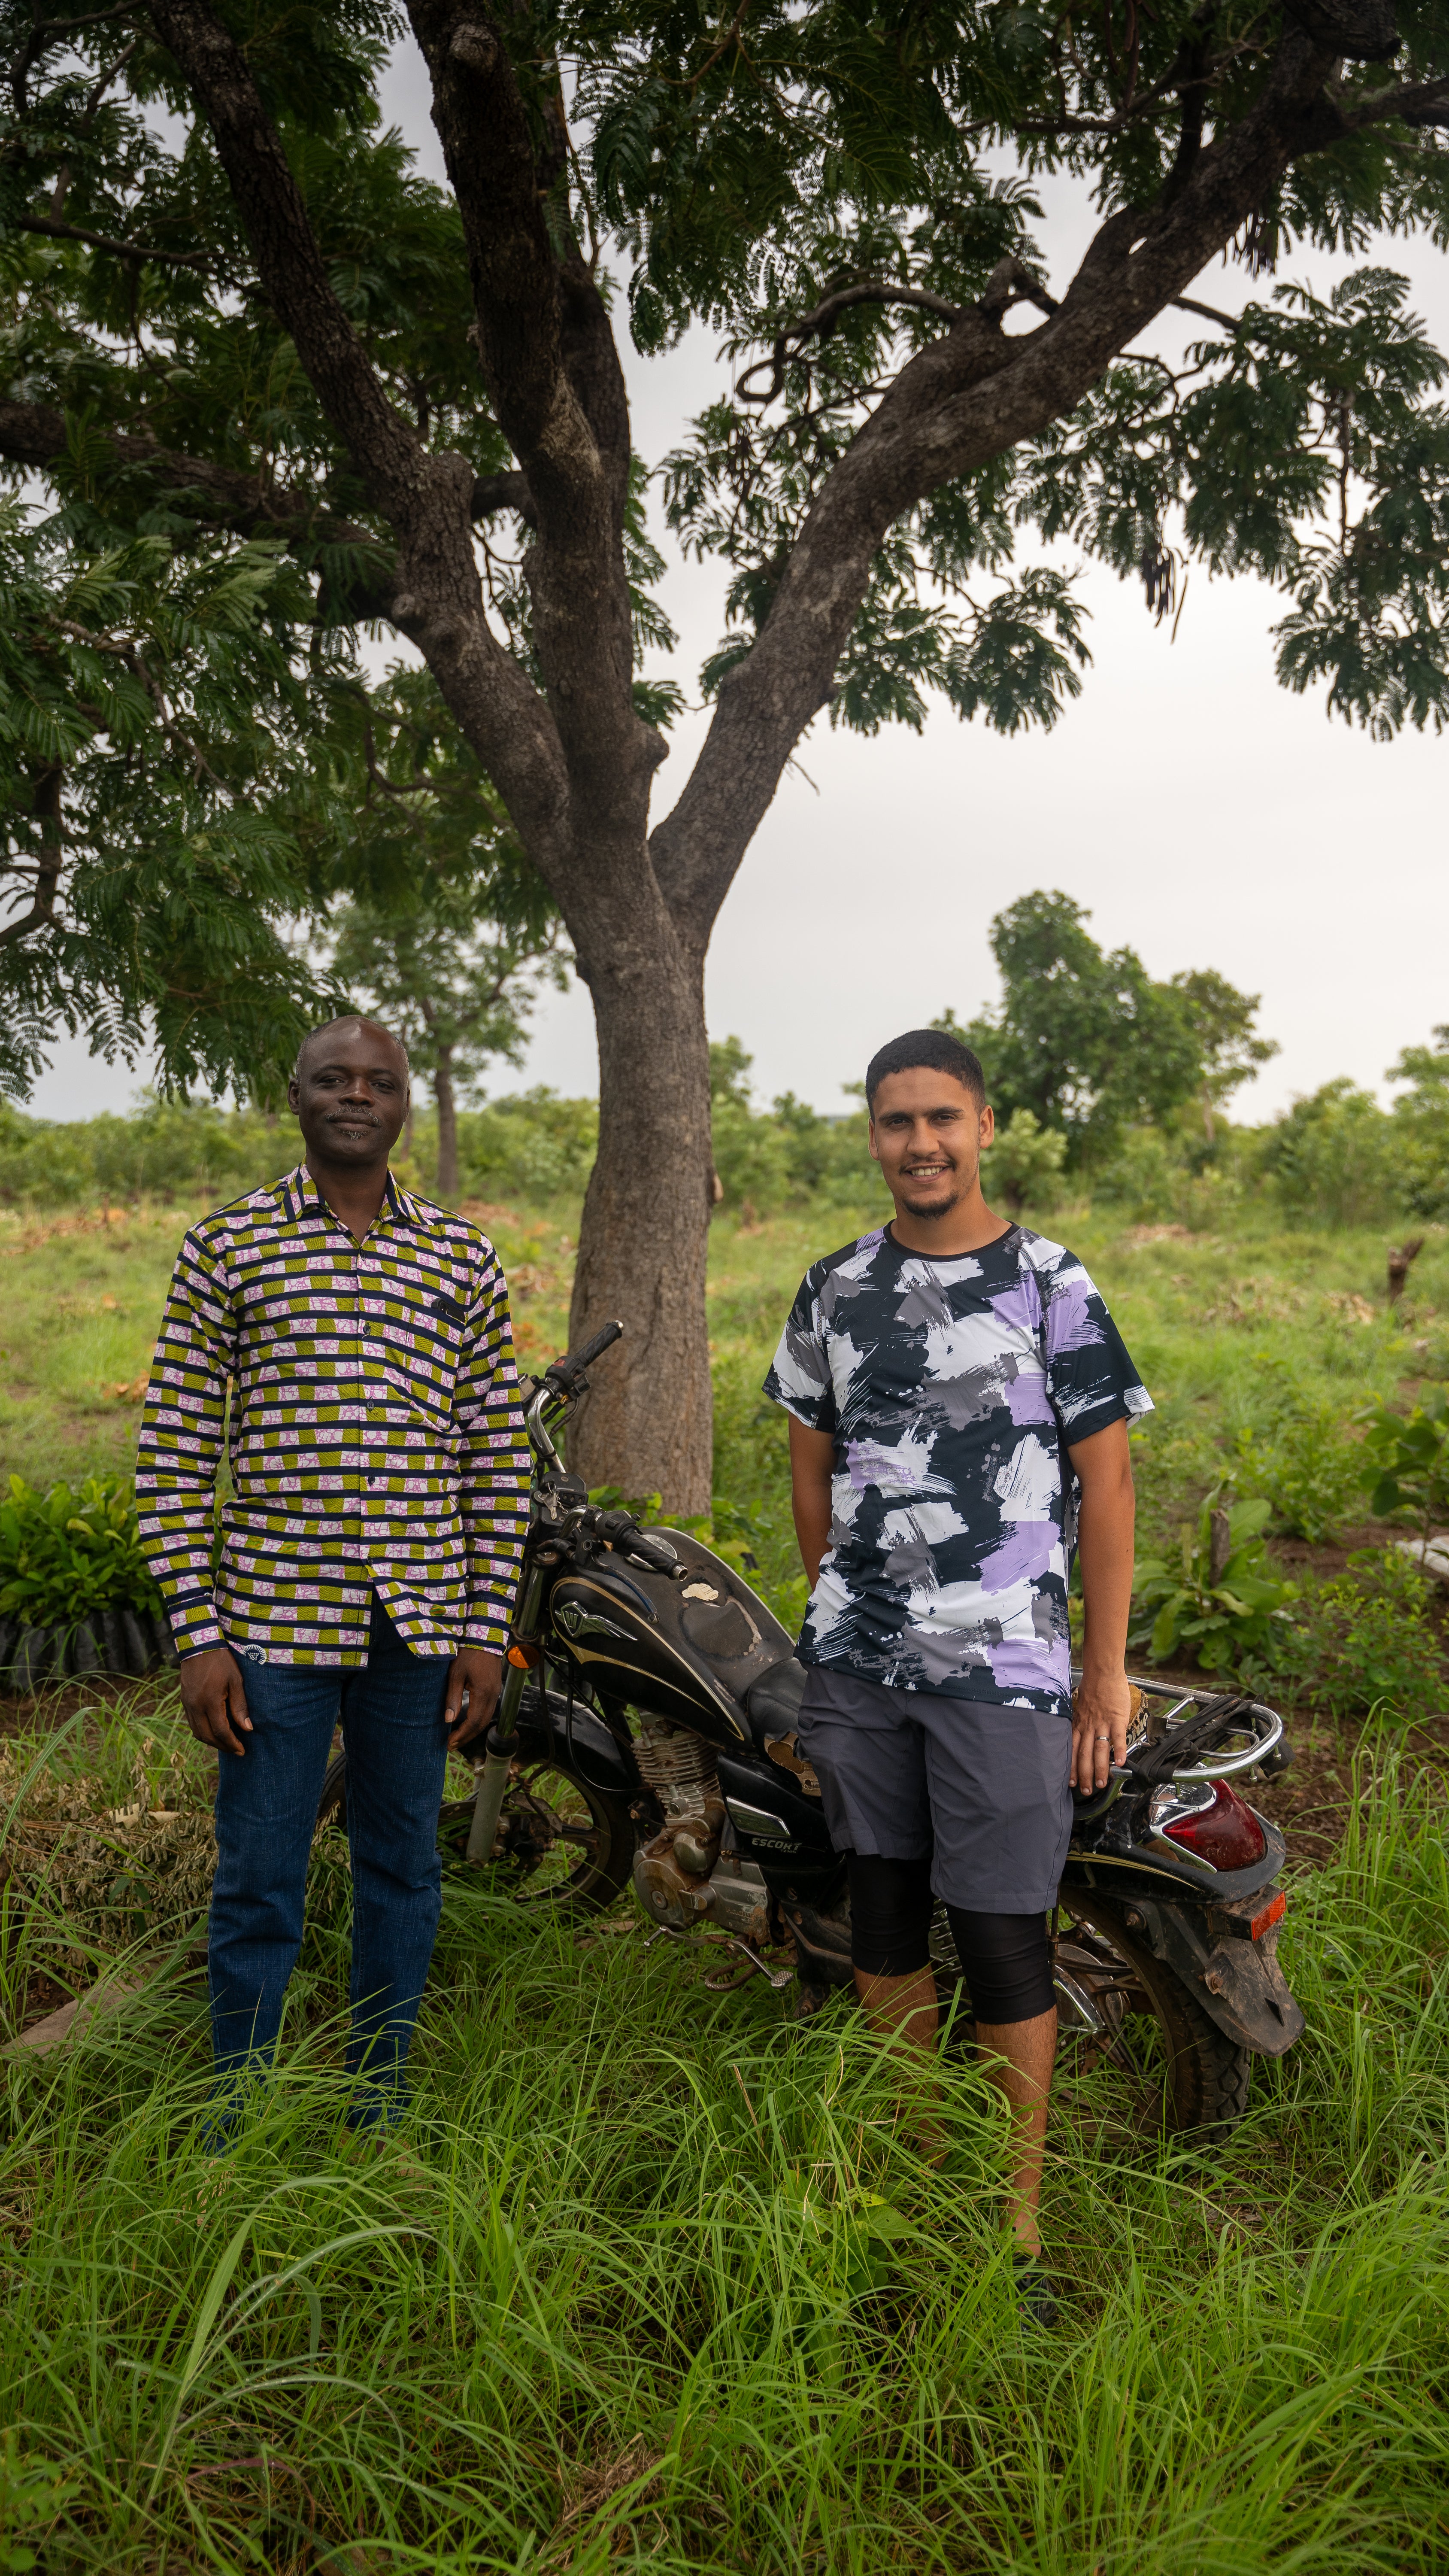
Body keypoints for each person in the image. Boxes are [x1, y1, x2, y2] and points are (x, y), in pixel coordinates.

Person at [763, 1028, 1150, 2317]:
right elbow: (813, 1466)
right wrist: (840, 1605)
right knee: (880, 1918)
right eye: (895, 1122)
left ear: (986, 1126)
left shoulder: (1051, 1284)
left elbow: (1105, 1483)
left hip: (1009, 1667)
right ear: (871, 1135)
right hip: (863, 1669)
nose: (920, 1143)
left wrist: (1102, 1672)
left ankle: (1015, 2235)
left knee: (998, 1935)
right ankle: (906, 2189)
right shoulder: (836, 1287)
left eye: (942, 1119)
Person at [136, 1016, 530, 2134]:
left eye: (379, 1081)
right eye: (332, 1079)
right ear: (296, 1094)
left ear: (406, 1102)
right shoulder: (229, 1247)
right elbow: (171, 1453)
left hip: (420, 1627)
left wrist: (483, 1630)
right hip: (269, 1632)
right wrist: (198, 1634)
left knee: (401, 1864)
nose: (356, 1095)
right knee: (259, 1870)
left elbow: (494, 1454)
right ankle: (240, 2111)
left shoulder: (461, 1257)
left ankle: (379, 2101)